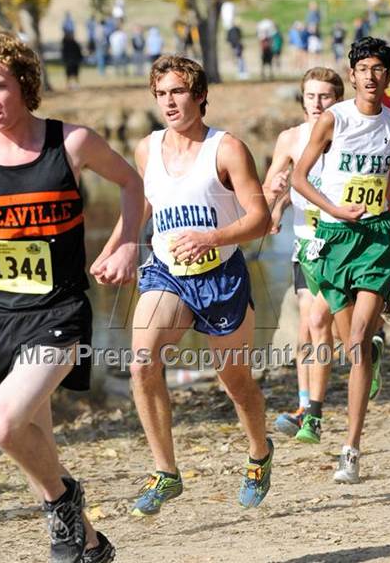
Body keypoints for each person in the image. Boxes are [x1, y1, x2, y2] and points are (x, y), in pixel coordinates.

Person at [0, 30, 144, 562]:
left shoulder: (70, 143)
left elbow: (131, 183)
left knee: (2, 424)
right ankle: (89, 546)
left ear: (25, 84)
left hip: (60, 311)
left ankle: (64, 499)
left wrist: (124, 244)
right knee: (35, 440)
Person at [92, 55, 273, 515]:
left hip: (222, 276)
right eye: (160, 94)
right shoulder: (146, 149)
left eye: (177, 91)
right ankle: (166, 472)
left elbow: (260, 219)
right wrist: (116, 246)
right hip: (167, 271)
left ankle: (258, 452)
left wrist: (212, 236)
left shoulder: (227, 149)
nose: (168, 102)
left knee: (235, 381)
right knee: (141, 362)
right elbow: (142, 208)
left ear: (198, 94)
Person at [292, 37, 390, 483]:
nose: (372, 76)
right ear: (352, 75)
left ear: (388, 76)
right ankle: (379, 327)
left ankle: (351, 448)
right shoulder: (333, 120)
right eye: (365, 69)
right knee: (352, 349)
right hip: (335, 237)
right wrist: (334, 209)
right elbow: (299, 178)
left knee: (356, 340)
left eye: (380, 69)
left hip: (378, 237)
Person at [263, 67, 345, 436]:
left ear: (337, 99)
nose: (316, 102)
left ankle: (314, 411)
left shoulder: (348, 136)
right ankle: (304, 406)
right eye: (310, 95)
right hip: (305, 244)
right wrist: (276, 195)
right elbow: (267, 189)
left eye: (325, 96)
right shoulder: (289, 139)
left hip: (342, 244)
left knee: (319, 324)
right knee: (305, 332)